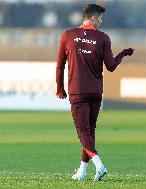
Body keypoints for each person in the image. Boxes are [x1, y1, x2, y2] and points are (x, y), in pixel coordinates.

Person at [56, 4, 134, 181]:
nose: (101, 21)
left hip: (77, 91)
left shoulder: (68, 35)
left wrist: (60, 88)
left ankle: (99, 165)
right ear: (91, 18)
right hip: (96, 92)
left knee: (83, 132)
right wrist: (123, 54)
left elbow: (60, 64)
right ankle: (82, 172)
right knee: (89, 132)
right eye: (99, 18)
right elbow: (111, 67)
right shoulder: (103, 38)